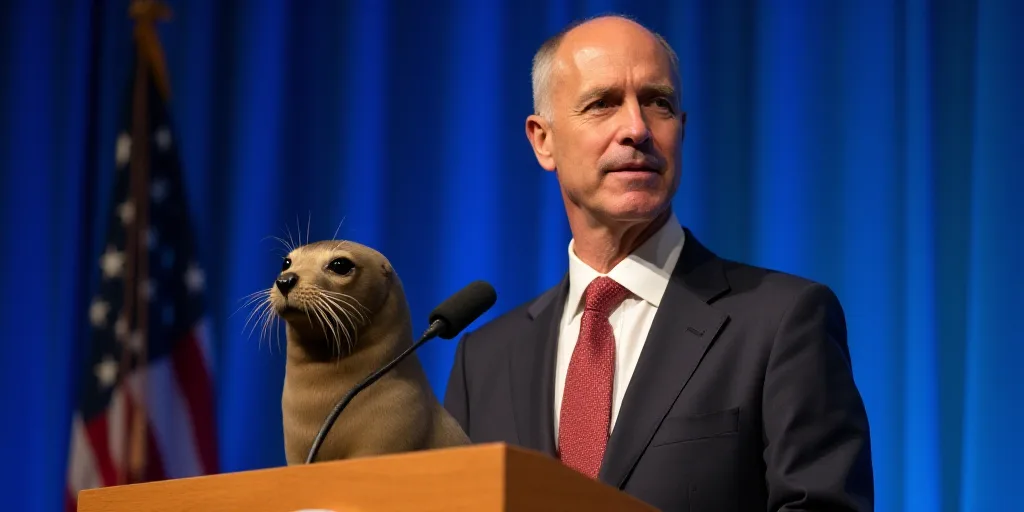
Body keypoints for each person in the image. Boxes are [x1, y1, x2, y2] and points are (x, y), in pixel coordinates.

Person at [443, 14, 873, 512]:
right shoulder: (484, 361)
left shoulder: (782, 322)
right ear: (544, 140)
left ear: (682, 130)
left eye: (658, 103)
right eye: (602, 104)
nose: (637, 129)